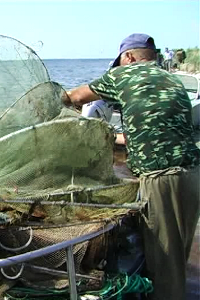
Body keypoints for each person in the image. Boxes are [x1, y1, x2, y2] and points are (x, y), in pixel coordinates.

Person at [61, 33, 200, 300]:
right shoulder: (172, 80)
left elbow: (77, 97)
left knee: (164, 267)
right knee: (178, 259)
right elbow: (153, 129)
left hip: (161, 179)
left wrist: (51, 100)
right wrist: (108, 135)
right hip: (192, 175)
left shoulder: (122, 75)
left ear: (129, 57)